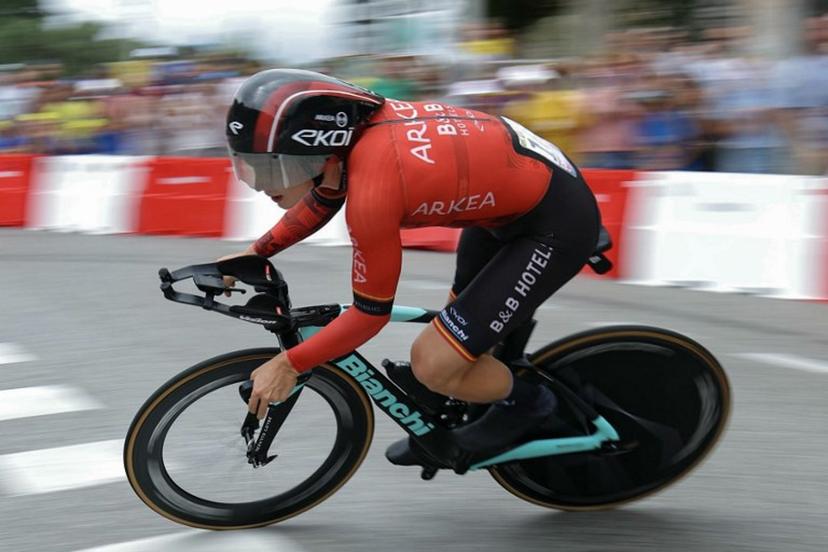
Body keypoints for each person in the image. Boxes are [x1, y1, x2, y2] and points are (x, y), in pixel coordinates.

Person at [221, 69, 601, 465]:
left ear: (319, 151)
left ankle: (532, 404)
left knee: (434, 363)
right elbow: (323, 196)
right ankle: (479, 382)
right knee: (462, 335)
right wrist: (255, 253)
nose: (262, 185)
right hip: (512, 205)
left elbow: (370, 316)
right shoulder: (354, 141)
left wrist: (289, 364)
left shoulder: (375, 187)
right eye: (248, 166)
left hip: (554, 226)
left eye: (272, 169)